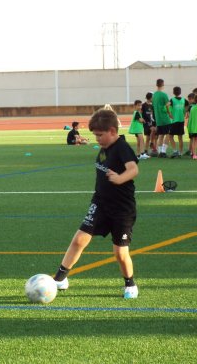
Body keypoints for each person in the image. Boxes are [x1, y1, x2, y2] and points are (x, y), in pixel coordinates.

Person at [52, 108, 140, 299]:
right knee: (79, 239)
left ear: (113, 131)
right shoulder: (105, 147)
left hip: (121, 209)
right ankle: (60, 278)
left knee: (119, 252)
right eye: (95, 135)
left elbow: (133, 169)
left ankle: (130, 284)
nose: (97, 139)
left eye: (100, 135)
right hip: (100, 202)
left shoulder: (122, 148)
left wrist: (120, 178)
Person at [152, 79, 175, 158]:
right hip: (165, 118)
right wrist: (170, 114)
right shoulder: (164, 95)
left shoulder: (154, 95)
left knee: (161, 135)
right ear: (163, 85)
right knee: (168, 134)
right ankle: (163, 151)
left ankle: (159, 152)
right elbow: (167, 105)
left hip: (158, 118)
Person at [169, 86, 187, 158]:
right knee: (180, 137)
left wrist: (169, 113)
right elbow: (187, 106)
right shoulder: (184, 100)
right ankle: (180, 152)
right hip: (181, 120)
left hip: (174, 120)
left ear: (173, 92)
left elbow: (167, 105)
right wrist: (185, 112)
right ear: (180, 92)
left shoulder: (172, 100)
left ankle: (175, 150)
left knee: (170, 136)